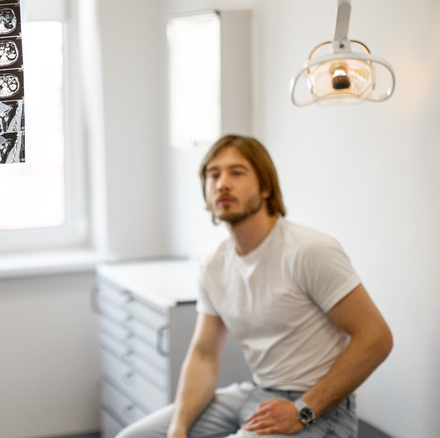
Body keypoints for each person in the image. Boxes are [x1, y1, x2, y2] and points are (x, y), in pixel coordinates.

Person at [116, 135, 392, 438]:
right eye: (213, 174)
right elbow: (204, 354)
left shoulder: (308, 250)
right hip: (257, 393)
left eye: (237, 172)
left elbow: (376, 338)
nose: (222, 183)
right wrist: (178, 429)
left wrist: (303, 409)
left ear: (265, 187)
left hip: (319, 408)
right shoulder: (213, 264)